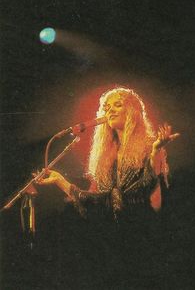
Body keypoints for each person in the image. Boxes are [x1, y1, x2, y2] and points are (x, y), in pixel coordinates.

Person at [37, 87, 179, 288]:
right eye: (106, 107)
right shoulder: (105, 157)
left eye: (117, 105)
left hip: (140, 241)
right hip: (109, 243)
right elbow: (96, 202)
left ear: (132, 111)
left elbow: (148, 190)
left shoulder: (150, 146)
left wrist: (156, 151)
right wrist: (60, 180)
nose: (109, 110)